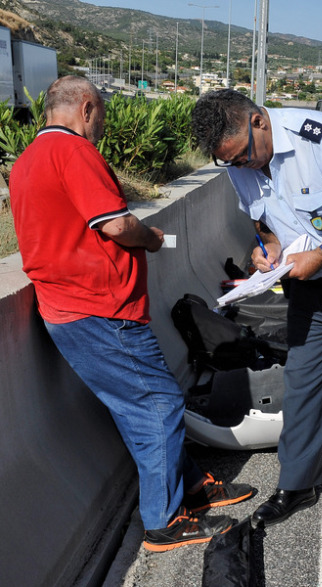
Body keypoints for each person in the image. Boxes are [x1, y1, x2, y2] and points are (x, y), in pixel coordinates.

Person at [9, 76, 255, 553]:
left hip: (70, 308)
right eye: (99, 112)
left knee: (142, 404)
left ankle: (191, 488)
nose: (100, 122)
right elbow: (118, 224)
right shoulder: (74, 152)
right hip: (100, 310)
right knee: (158, 404)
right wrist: (152, 239)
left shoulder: (26, 161)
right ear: (85, 108)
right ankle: (164, 522)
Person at [191, 89, 322, 541]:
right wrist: (265, 252)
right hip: (308, 285)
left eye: (243, 157)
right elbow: (267, 225)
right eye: (230, 162)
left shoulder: (320, 135)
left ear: (258, 122)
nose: (241, 167)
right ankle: (297, 485)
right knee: (303, 383)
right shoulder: (239, 162)